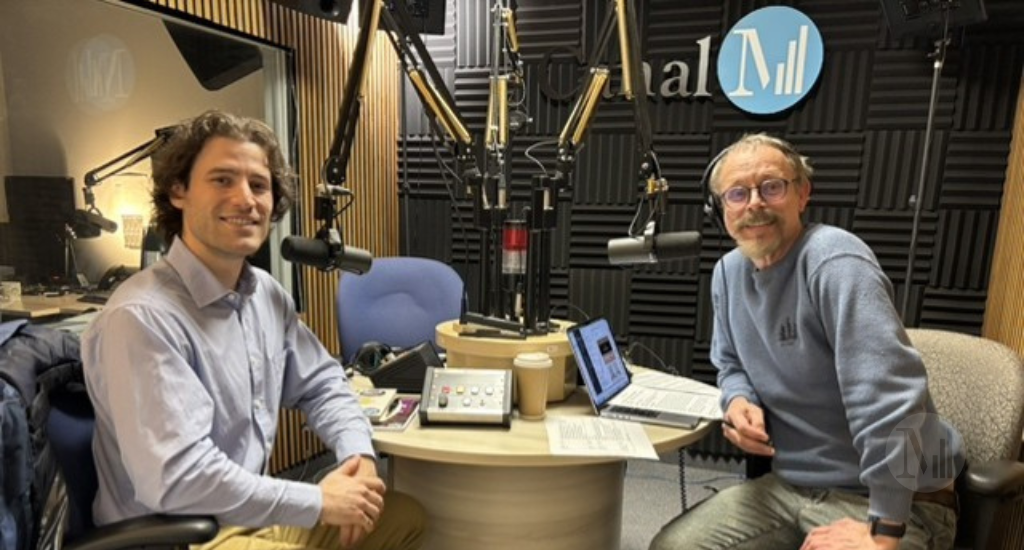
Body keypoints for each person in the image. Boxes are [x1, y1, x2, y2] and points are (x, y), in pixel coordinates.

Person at [81, 110, 426, 550]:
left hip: (249, 515)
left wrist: (357, 456)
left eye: (258, 185)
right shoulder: (141, 317)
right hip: (179, 537)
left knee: (403, 518)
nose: (246, 200)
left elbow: (322, 383)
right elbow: (179, 480)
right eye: (222, 180)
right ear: (178, 191)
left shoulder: (265, 294)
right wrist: (318, 501)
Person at [649, 133, 962, 550]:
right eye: (738, 193)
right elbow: (730, 365)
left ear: (802, 193)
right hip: (790, 487)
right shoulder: (727, 273)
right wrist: (738, 400)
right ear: (720, 209)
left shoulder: (834, 260)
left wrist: (885, 533)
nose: (755, 203)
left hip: (901, 501)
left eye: (772, 187)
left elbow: (888, 399)